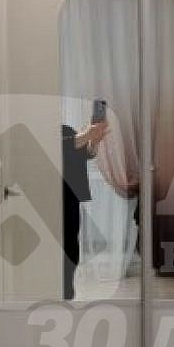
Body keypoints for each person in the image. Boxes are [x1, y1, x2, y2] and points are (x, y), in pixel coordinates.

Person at [61, 120, 110, 300]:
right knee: (61, 245)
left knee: (71, 245)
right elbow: (60, 146)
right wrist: (87, 135)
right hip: (52, 196)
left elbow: (86, 154)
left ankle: (67, 286)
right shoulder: (42, 130)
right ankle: (62, 288)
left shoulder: (66, 129)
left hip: (70, 196)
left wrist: (94, 141)